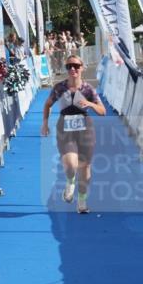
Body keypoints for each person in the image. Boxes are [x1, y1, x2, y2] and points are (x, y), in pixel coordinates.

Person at [40, 54, 106, 214]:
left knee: (85, 166)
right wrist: (45, 123)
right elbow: (47, 104)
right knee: (71, 164)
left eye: (76, 66)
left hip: (85, 129)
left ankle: (82, 201)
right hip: (65, 128)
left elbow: (102, 111)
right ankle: (70, 181)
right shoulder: (59, 88)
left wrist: (90, 103)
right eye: (69, 66)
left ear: (82, 68)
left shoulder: (88, 89)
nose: (72, 69)